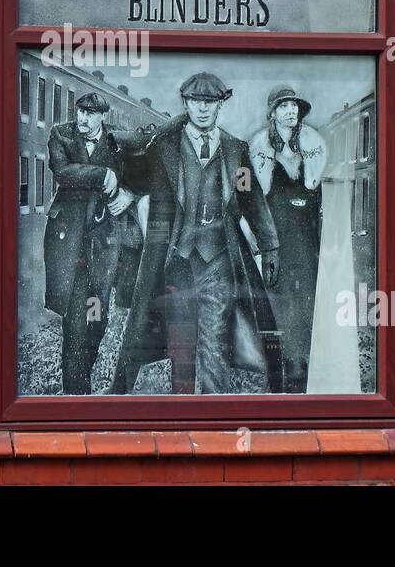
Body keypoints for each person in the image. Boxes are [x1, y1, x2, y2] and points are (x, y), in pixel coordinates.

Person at [112, 72, 282, 394]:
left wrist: (269, 243)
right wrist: (162, 130)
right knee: (181, 344)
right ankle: (182, 417)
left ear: (220, 106)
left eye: (210, 102)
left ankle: (214, 419)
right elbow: (133, 175)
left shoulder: (235, 151)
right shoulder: (163, 148)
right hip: (176, 261)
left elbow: (251, 200)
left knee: (215, 342)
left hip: (218, 262)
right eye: (195, 102)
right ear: (185, 104)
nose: (202, 109)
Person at [43, 91, 141, 394]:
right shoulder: (61, 136)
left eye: (90, 114)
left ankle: (81, 382)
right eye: (80, 112)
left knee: (97, 319)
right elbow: (63, 172)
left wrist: (129, 194)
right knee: (74, 323)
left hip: (104, 247)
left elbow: (143, 172)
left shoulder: (117, 142)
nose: (83, 119)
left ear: (102, 116)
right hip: (70, 244)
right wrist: (104, 175)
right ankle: (76, 394)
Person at [248, 86, 326, 393]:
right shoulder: (258, 149)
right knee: (277, 313)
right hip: (275, 247)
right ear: (273, 113)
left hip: (306, 246)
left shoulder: (313, 149)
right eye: (284, 106)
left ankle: (302, 381)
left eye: (294, 106)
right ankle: (279, 384)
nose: (291, 111)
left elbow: (319, 200)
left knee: (304, 314)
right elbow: (250, 201)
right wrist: (261, 244)